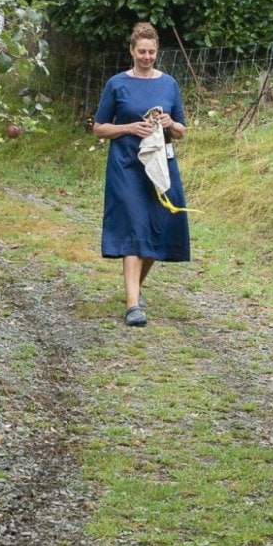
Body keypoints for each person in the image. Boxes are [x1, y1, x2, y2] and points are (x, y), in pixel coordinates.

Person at [91, 21, 189, 326]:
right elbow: (98, 127)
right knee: (135, 228)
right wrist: (128, 127)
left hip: (161, 165)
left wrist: (170, 124)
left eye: (152, 51)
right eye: (141, 51)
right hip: (126, 166)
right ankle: (133, 305)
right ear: (132, 50)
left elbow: (183, 131)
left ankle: (136, 287)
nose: (147, 56)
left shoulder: (169, 84)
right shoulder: (117, 84)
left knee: (159, 226)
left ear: (157, 52)